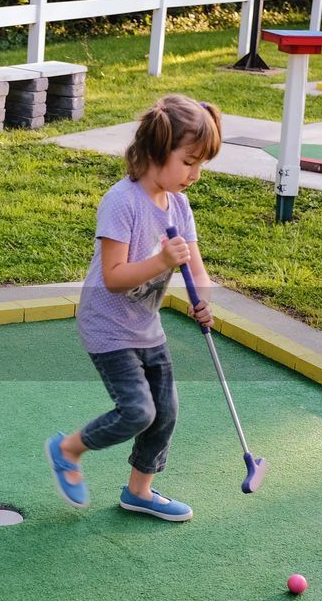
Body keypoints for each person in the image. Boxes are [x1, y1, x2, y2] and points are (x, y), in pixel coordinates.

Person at [46, 94, 222, 521]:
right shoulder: (121, 202)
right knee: (138, 411)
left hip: (145, 325)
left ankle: (138, 491)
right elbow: (114, 275)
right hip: (107, 326)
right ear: (157, 151)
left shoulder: (178, 204)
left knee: (166, 412)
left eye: (202, 165)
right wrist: (162, 261)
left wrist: (203, 299)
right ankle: (69, 448)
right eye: (189, 162)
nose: (196, 175)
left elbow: (197, 271)